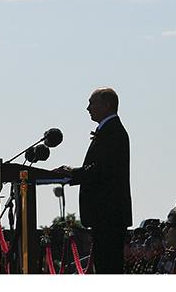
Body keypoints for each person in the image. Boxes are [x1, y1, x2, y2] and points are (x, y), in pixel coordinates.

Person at [56, 87, 132, 274]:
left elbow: (102, 170)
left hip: (109, 215)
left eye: (92, 103)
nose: (88, 108)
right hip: (103, 216)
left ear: (107, 105)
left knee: (109, 268)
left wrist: (73, 173)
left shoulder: (113, 132)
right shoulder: (107, 130)